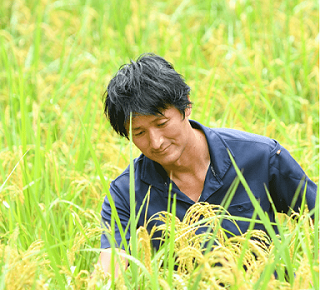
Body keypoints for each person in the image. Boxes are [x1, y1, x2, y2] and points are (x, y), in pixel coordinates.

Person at [97, 53, 317, 276]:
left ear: (186, 106)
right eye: (139, 132)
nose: (156, 142)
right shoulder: (126, 193)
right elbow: (110, 265)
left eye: (162, 123)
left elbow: (315, 216)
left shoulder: (261, 157)